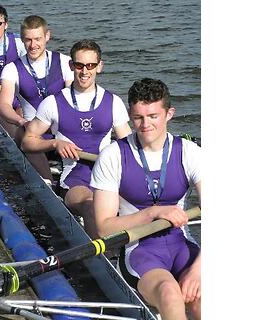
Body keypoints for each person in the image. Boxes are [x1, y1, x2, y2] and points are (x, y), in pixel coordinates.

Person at [90, 78, 201, 320]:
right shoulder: (112, 156)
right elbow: (103, 227)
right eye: (138, 117)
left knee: (202, 296)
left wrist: (198, 271)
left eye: (153, 116)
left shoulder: (190, 152)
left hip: (182, 245)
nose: (145, 124)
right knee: (170, 293)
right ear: (130, 115)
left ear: (169, 114)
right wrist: (154, 212)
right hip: (139, 250)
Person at [21, 39, 132, 239]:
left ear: (100, 67)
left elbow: (130, 147)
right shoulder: (53, 103)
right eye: (79, 65)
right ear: (71, 66)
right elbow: (27, 141)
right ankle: (104, 260)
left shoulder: (114, 102)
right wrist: (54, 143)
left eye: (90, 65)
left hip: (107, 175)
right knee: (92, 204)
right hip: (75, 178)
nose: (84, 71)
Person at [0, 15, 74, 181]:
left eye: (38, 39)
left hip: (61, 130)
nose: (33, 45)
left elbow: (74, 97)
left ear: (47, 36)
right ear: (22, 40)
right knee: (24, 132)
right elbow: (4, 105)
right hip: (32, 131)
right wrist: (20, 121)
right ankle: (48, 183)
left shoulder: (64, 62)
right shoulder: (12, 69)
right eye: (28, 40)